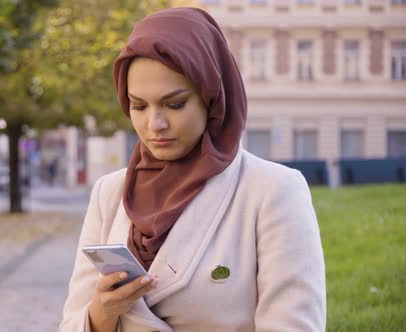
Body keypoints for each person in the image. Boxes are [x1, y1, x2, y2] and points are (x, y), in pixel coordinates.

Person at [60, 7, 326, 332]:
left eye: (175, 104)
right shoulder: (110, 193)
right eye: (138, 106)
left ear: (211, 98)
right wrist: (102, 312)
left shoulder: (273, 190)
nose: (154, 124)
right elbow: (71, 323)